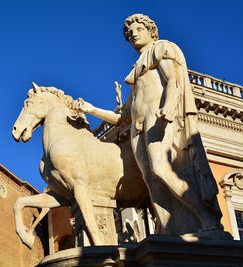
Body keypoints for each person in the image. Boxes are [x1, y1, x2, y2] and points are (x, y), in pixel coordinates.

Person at [77, 14, 223, 234]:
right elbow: (123, 117)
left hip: (159, 118)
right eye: (129, 33)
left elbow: (173, 80)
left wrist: (169, 107)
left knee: (161, 168)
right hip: (137, 127)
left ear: (151, 31)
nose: (133, 34)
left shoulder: (160, 49)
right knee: (151, 182)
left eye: (138, 29)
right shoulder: (136, 74)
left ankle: (206, 218)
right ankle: (168, 229)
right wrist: (91, 109)